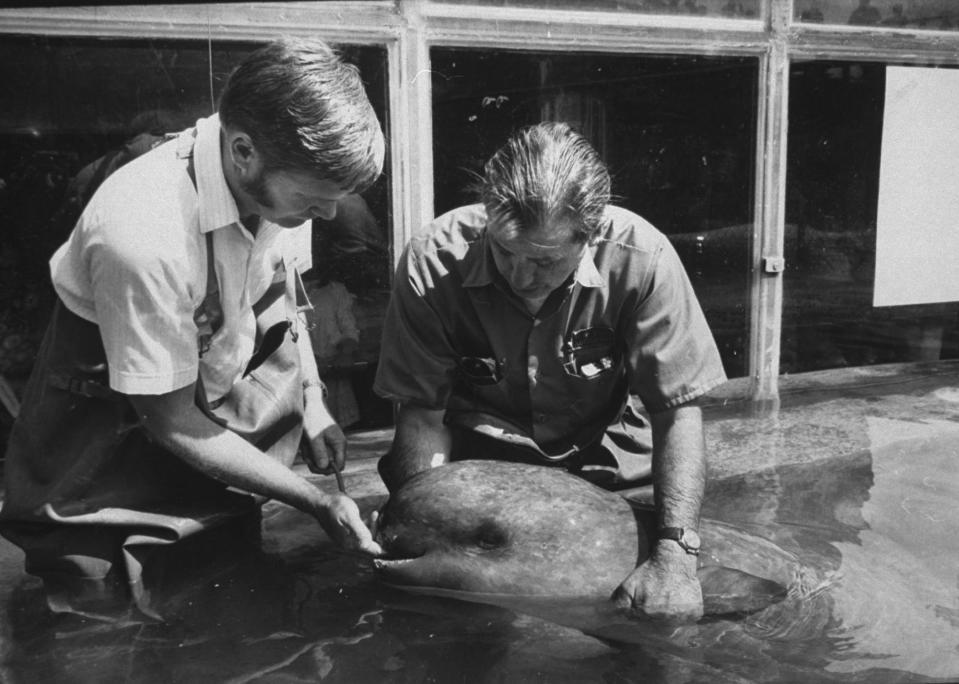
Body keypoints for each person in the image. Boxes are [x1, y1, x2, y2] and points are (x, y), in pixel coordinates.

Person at [0, 38, 385, 614]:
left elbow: (284, 295)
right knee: (99, 612)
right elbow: (173, 422)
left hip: (204, 416)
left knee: (224, 595)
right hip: (104, 442)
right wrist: (312, 501)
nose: (326, 218)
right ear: (243, 151)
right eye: (313, 202)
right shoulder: (141, 230)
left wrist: (313, 400)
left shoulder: (289, 191)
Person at [374, 122, 727, 622]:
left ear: (591, 234)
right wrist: (415, 523)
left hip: (610, 454)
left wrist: (675, 554)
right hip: (482, 469)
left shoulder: (644, 260)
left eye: (544, 261)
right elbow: (422, 418)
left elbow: (677, 414)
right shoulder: (432, 262)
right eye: (503, 251)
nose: (519, 277)